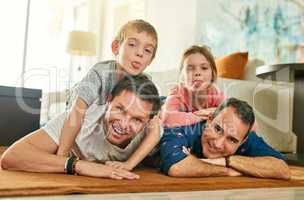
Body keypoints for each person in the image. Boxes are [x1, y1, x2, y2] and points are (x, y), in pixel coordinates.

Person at [1, 75, 161, 180]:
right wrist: (79, 165)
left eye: (137, 119)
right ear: (108, 100)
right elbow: (11, 157)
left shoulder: (151, 132)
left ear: (148, 122)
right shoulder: (79, 119)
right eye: (120, 109)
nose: (124, 124)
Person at [57, 19, 161, 171]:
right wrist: (61, 157)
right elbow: (76, 113)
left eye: (147, 50)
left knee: (161, 118)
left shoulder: (145, 83)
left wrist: (129, 164)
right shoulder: (100, 74)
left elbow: (155, 129)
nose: (139, 53)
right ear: (116, 47)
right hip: (80, 107)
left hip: (106, 124)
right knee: (74, 114)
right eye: (132, 44)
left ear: (150, 60)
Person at [160, 97, 290, 179]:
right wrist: (226, 171)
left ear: (243, 141)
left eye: (232, 140)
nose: (218, 144)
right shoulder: (183, 127)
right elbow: (175, 167)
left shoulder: (244, 136)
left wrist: (227, 161)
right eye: (217, 129)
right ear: (209, 120)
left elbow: (282, 169)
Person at [162, 45, 225, 128]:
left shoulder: (216, 94)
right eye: (190, 69)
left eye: (204, 68)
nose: (197, 72)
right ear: (182, 76)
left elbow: (229, 114)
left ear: (213, 74)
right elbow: (168, 119)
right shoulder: (177, 93)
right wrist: (205, 113)